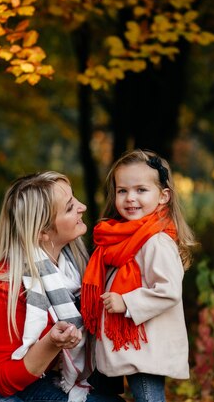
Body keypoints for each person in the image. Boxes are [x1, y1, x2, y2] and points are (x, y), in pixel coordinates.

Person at [0, 171, 124, 402]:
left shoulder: (73, 269)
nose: (83, 207)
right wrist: (51, 343)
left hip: (27, 382)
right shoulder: (1, 285)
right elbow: (4, 380)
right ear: (42, 233)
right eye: (69, 207)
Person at [81, 149, 196, 402]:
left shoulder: (156, 241)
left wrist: (126, 302)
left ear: (163, 196)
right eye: (122, 190)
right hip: (125, 346)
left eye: (141, 190)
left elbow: (168, 291)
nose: (130, 198)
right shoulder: (116, 238)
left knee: (148, 399)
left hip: (145, 349)